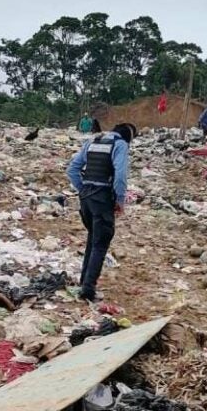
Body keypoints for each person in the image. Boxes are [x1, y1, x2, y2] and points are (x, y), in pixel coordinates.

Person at [66, 123, 135, 301]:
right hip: (102, 199)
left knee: (93, 238)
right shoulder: (120, 144)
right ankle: (88, 290)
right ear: (128, 137)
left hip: (86, 199)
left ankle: (84, 281)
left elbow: (72, 169)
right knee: (101, 242)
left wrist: (82, 189)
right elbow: (120, 176)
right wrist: (120, 201)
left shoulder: (92, 141)